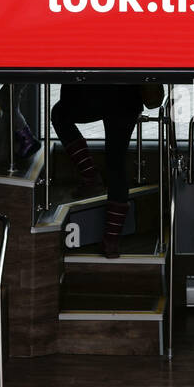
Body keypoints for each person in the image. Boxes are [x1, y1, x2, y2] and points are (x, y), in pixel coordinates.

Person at [51, 83, 161, 258]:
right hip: (127, 97)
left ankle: (90, 176)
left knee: (59, 114)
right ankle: (111, 242)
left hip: (95, 93)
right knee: (116, 162)